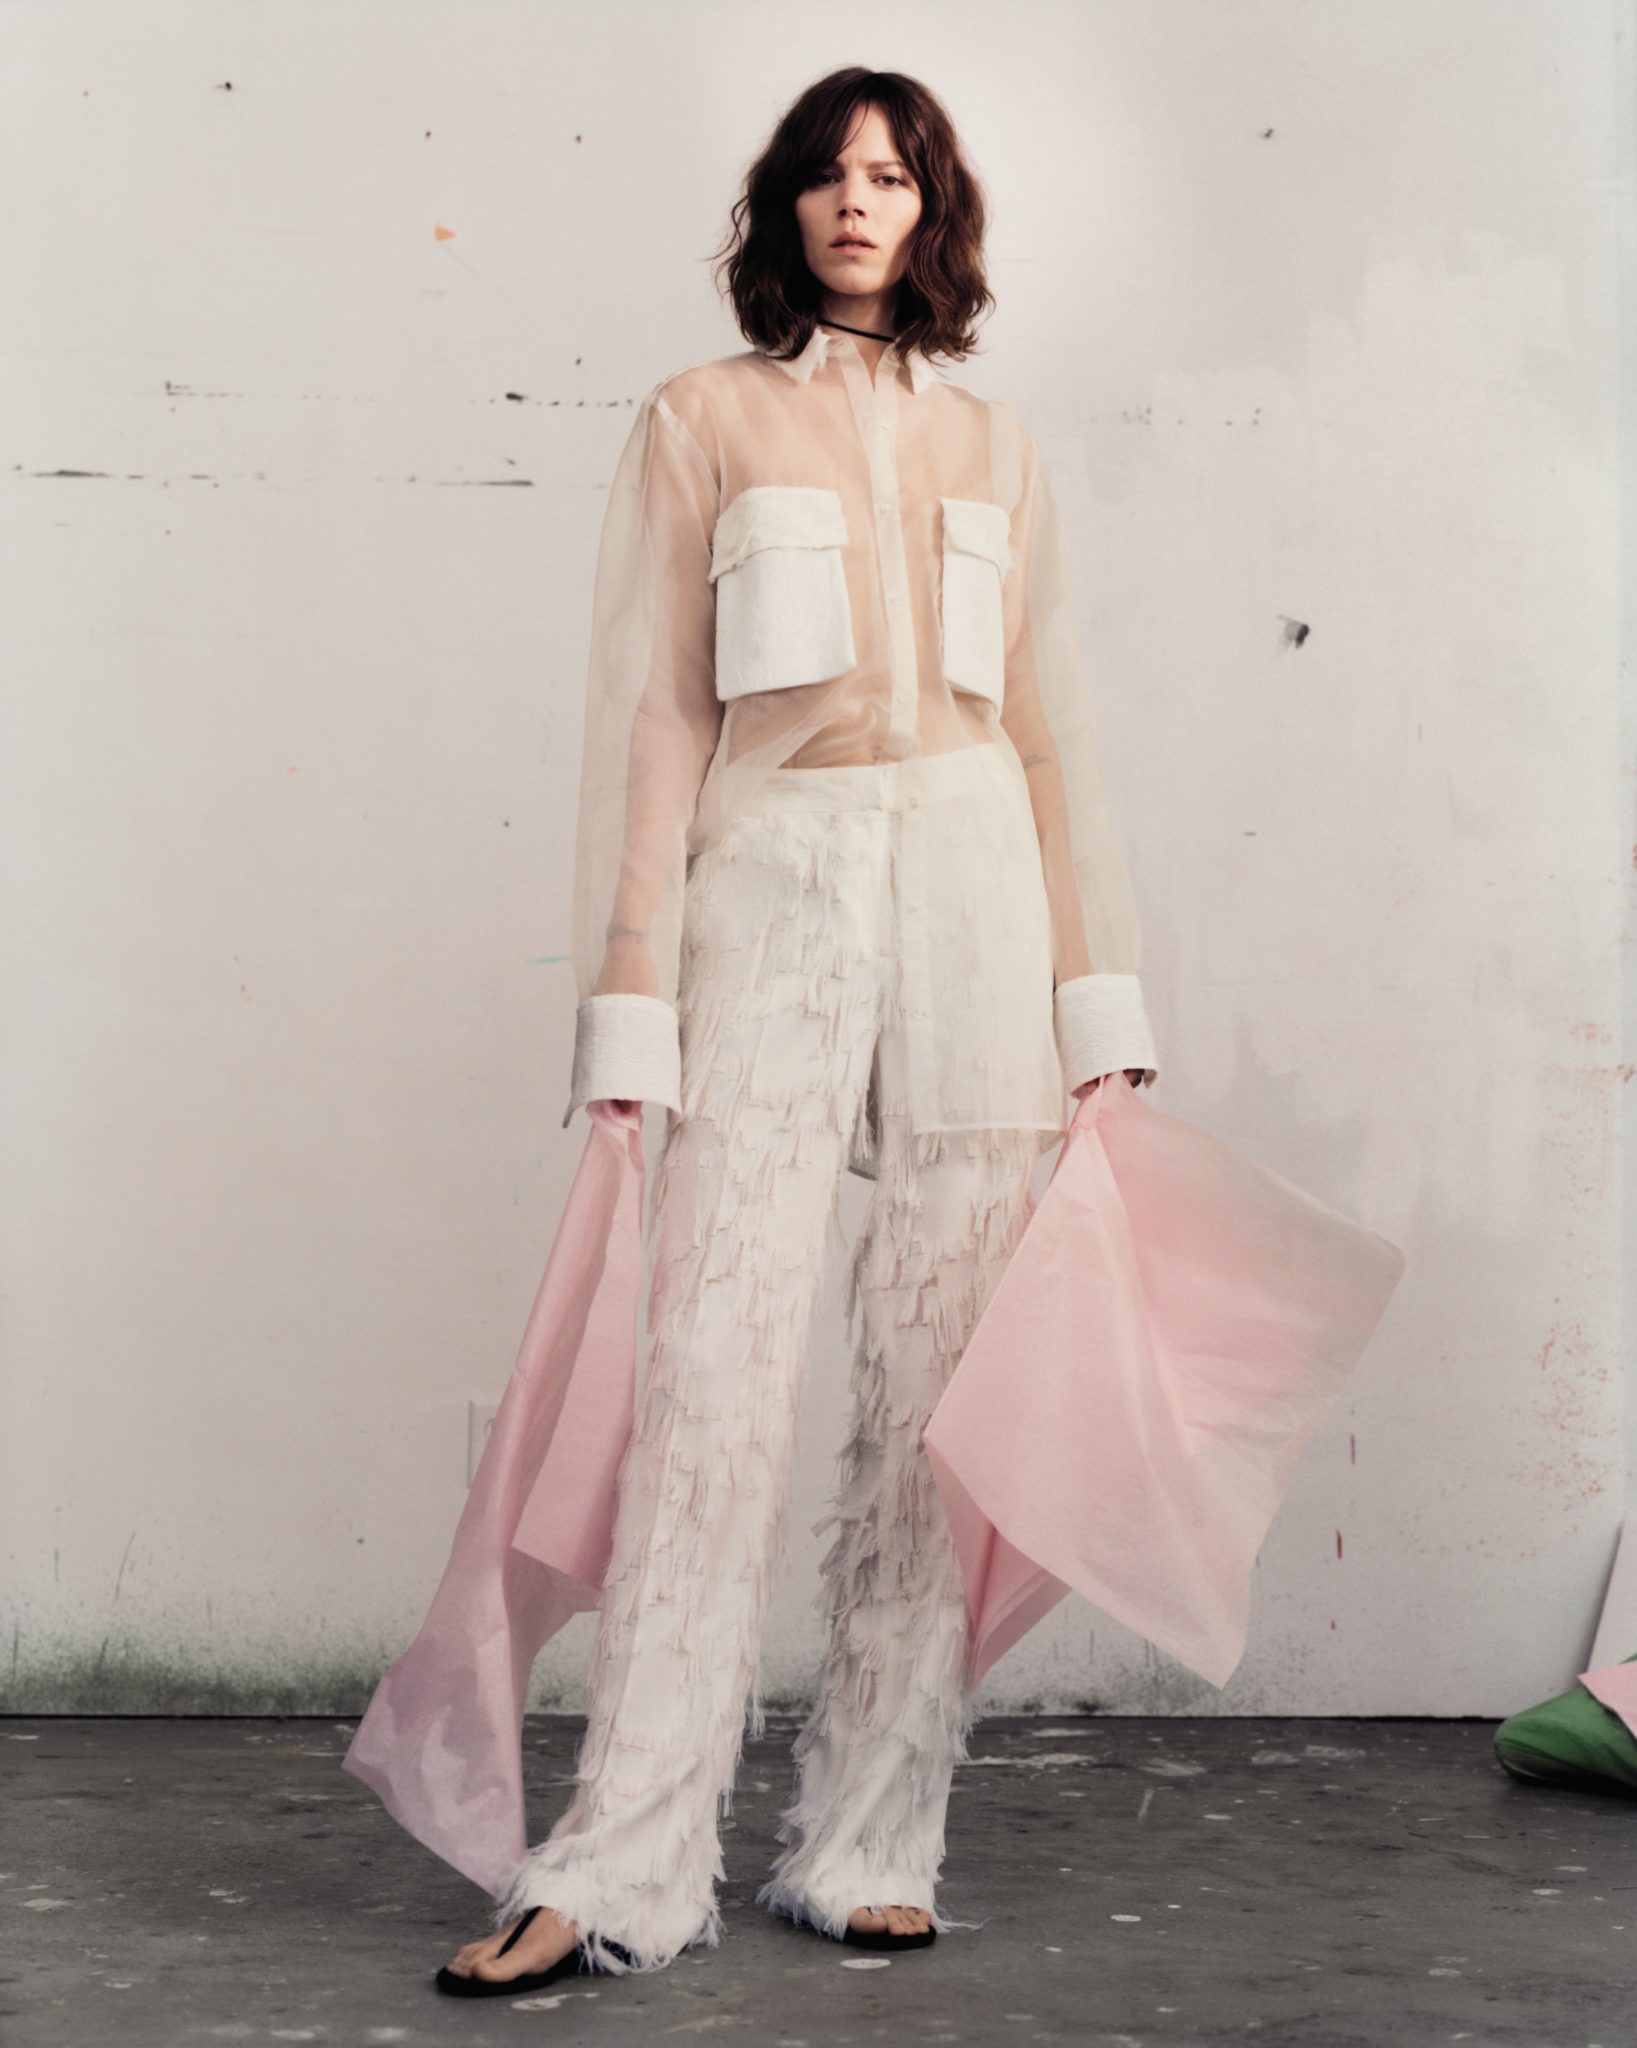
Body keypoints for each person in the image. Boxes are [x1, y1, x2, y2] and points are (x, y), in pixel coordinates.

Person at [438, 64, 1158, 1994]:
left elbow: (1050, 732)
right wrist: (626, 1012)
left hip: (977, 889)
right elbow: (655, 725)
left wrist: (1098, 1001)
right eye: (830, 175)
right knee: (712, 1366)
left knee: (943, 1376)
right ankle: (622, 1861)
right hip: (775, 876)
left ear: (932, 213)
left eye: (892, 176)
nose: (858, 202)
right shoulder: (701, 420)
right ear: (785, 207)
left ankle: (871, 1838)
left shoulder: (999, 448)